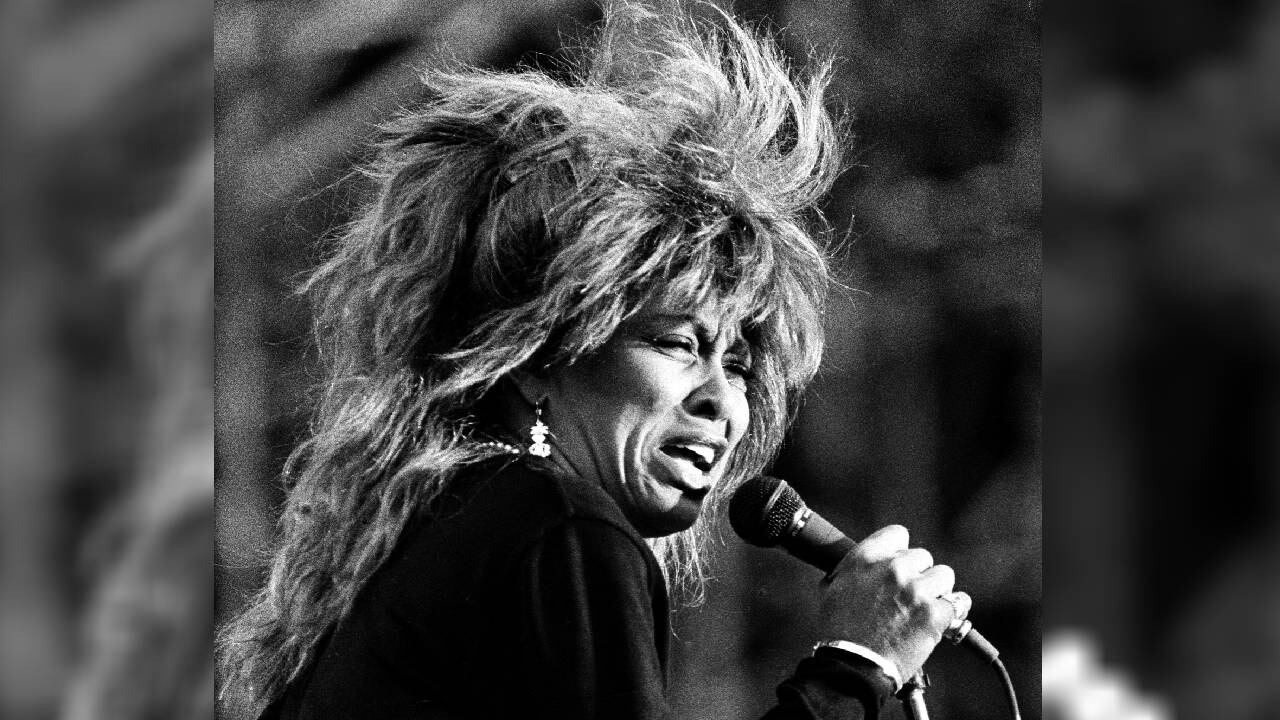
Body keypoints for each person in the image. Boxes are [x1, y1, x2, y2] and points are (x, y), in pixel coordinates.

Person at [218, 4, 970, 719]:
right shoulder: (559, 528)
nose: (723, 402)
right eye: (680, 344)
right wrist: (856, 664)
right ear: (538, 353)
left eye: (740, 366)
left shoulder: (420, 534)